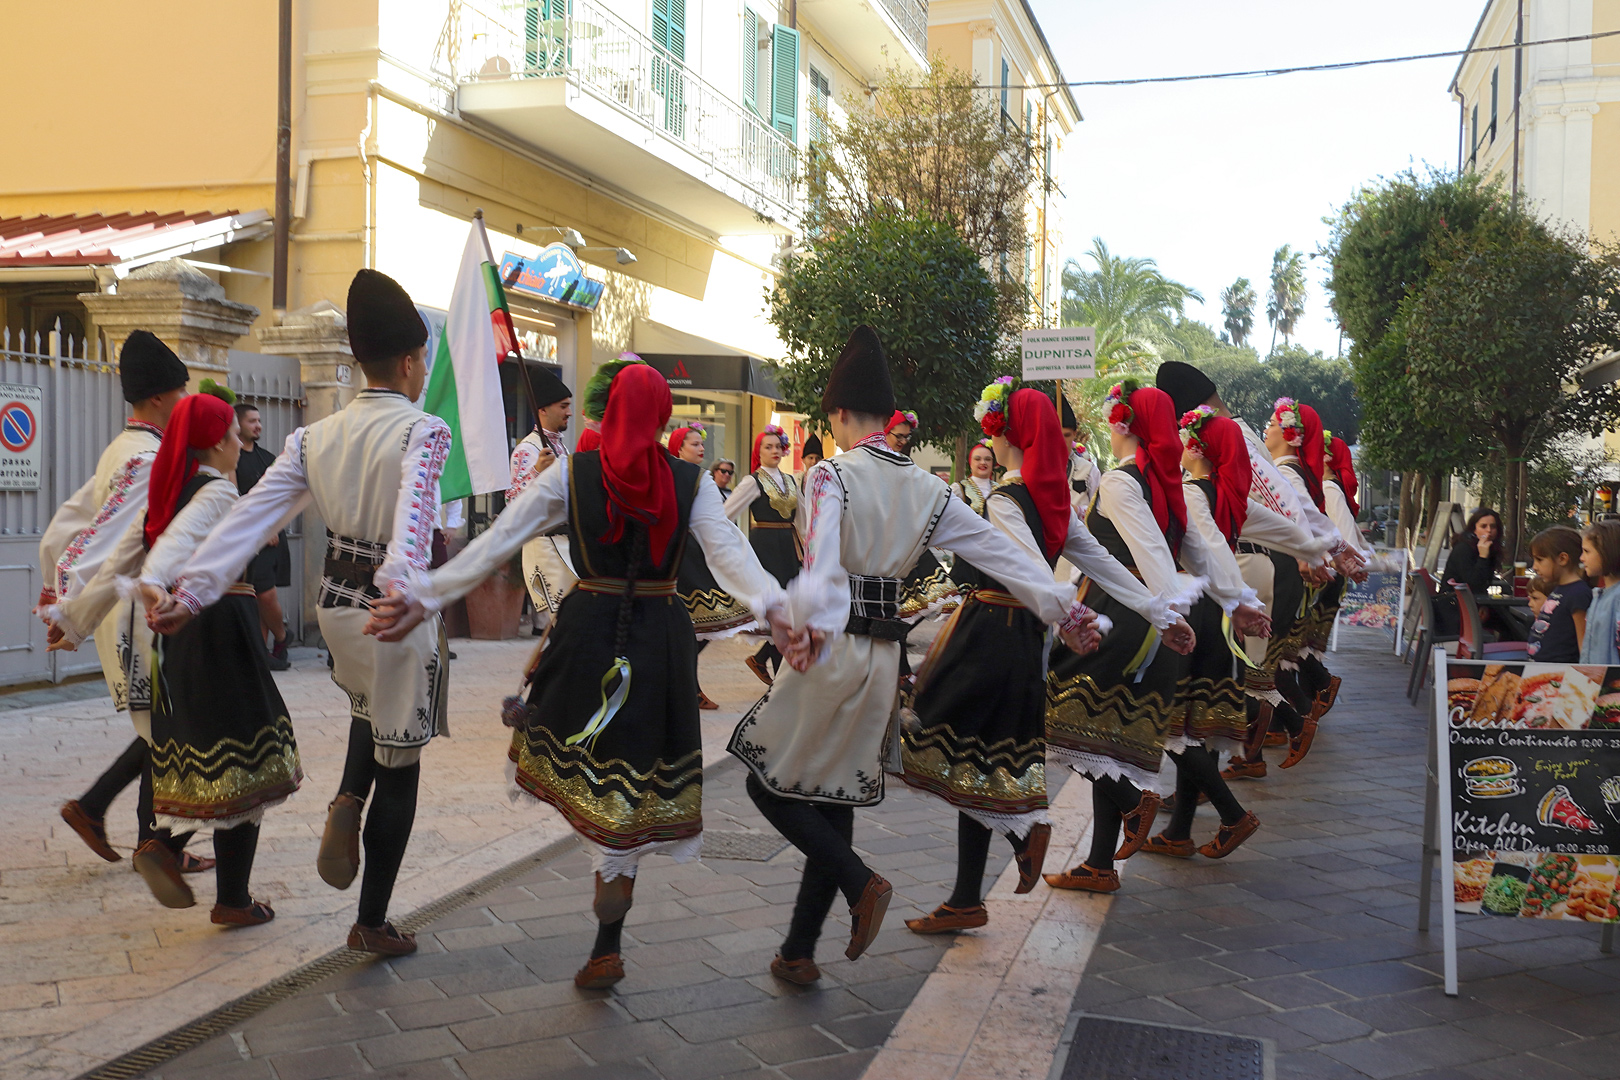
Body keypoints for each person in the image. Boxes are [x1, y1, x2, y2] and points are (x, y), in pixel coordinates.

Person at [366, 360, 788, 990]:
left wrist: (426, 595)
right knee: (636, 770)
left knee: (586, 761)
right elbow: (730, 554)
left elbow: (500, 538)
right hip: (659, 638)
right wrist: (778, 607)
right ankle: (611, 911)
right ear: (663, 419)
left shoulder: (571, 471)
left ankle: (606, 872)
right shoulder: (690, 482)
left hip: (589, 630)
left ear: (610, 412)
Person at [728, 326, 1101, 984]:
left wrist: (802, 622)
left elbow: (822, 564)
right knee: (834, 794)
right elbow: (1000, 554)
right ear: (887, 414)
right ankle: (799, 950)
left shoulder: (831, 474)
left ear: (840, 412)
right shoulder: (929, 489)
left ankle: (860, 883)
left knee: (765, 780)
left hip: (833, 649)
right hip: (880, 662)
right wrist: (1064, 609)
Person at [168, 269, 450, 956]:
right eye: (422, 361)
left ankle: (348, 800)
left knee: (368, 712)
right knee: (402, 764)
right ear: (409, 361)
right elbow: (415, 518)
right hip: (390, 610)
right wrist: (401, 585)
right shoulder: (424, 430)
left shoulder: (311, 438)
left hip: (336, 609)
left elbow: (249, 517)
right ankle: (371, 920)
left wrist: (193, 590)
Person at [900, 382, 1180, 934]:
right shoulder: (1050, 498)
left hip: (989, 631)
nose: (990, 438)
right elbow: (1100, 564)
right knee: (979, 755)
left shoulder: (1007, 498)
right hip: (1022, 633)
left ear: (1007, 434)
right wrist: (1156, 610)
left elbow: (1027, 568)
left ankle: (1023, 836)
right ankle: (967, 896)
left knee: (946, 740)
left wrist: (1072, 618)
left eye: (995, 428)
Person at [51, 387, 301, 923]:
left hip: (181, 640)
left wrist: (72, 622)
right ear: (217, 442)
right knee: (250, 762)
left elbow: (116, 563)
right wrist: (155, 581)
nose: (238, 444)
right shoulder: (216, 492)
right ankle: (224, 893)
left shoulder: (166, 495)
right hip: (223, 634)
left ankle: (173, 851)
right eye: (232, 435)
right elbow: (164, 553)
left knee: (210, 757)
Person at [44, 330, 210, 873]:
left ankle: (117, 821)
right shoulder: (148, 459)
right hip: (140, 611)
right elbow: (119, 546)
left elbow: (67, 525)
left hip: (127, 605)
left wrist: (57, 584)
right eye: (181, 391)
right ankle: (151, 842)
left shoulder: (124, 449)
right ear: (160, 397)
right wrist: (71, 616)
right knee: (171, 727)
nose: (186, 399)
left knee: (164, 728)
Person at [1043, 382, 1205, 895]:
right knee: (1105, 736)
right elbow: (1196, 552)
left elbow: (1150, 552)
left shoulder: (1120, 481)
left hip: (1123, 608)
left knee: (1054, 710)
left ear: (1125, 425)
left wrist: (1169, 615)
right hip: (1147, 610)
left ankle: (1133, 803)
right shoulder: (1165, 484)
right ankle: (1099, 864)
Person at [1155, 362, 1343, 782]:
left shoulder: (1227, 436)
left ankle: (1286, 727)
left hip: (1245, 567)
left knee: (1235, 678)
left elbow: (1279, 499)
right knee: (1235, 678)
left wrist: (1311, 553)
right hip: (1246, 567)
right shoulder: (1229, 437)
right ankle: (1243, 759)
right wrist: (1320, 548)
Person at [1141, 407, 1269, 860]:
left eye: (1184, 435)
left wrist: (1236, 599)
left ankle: (1232, 815)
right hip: (1217, 612)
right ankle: (1179, 830)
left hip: (1200, 606)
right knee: (1198, 724)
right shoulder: (1227, 493)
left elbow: (1207, 552)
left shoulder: (1194, 492)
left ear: (1196, 447)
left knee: (1172, 722)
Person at [669, 421, 755, 710]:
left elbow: (717, 521)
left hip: (698, 551)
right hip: (679, 554)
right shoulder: (672, 475)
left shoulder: (700, 478)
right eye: (694, 444)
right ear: (678, 448)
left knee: (704, 623)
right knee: (691, 623)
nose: (701, 448)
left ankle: (685, 682)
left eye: (702, 443)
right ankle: (686, 686)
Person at [725, 425, 800, 685]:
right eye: (768, 447)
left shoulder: (791, 480)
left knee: (788, 611)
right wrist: (735, 547)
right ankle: (780, 681)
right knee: (775, 609)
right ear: (759, 452)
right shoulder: (752, 481)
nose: (774, 451)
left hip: (788, 547)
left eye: (778, 446)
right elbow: (725, 515)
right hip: (764, 547)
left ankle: (768, 666)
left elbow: (802, 519)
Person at [508, 366, 574, 635]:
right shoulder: (527, 449)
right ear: (543, 410)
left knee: (570, 625)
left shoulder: (561, 446)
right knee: (562, 625)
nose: (569, 412)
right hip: (544, 546)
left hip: (565, 544)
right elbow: (513, 501)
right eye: (563, 406)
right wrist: (536, 470)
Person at [234, 403, 293, 670]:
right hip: (247, 537)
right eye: (252, 421)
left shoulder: (267, 458)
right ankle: (272, 645)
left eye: (259, 420)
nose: (258, 425)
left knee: (265, 594)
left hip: (271, 537)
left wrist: (271, 528)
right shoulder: (231, 458)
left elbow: (282, 498)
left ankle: (274, 642)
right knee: (256, 595)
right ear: (238, 424)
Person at [1527, 527, 1590, 663]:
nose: (1534, 567)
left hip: (1561, 670)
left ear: (1562, 559)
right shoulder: (1558, 589)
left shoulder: (1578, 593)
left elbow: (1584, 642)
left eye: (1539, 560)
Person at [1580, 520, 1620, 665]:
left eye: (1587, 551)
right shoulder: (1600, 595)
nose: (1581, 558)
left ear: (1607, 552)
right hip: (1593, 677)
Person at [951, 439, 997, 515]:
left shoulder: (1000, 488)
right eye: (977, 459)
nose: (983, 462)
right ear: (970, 463)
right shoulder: (959, 489)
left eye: (988, 459)